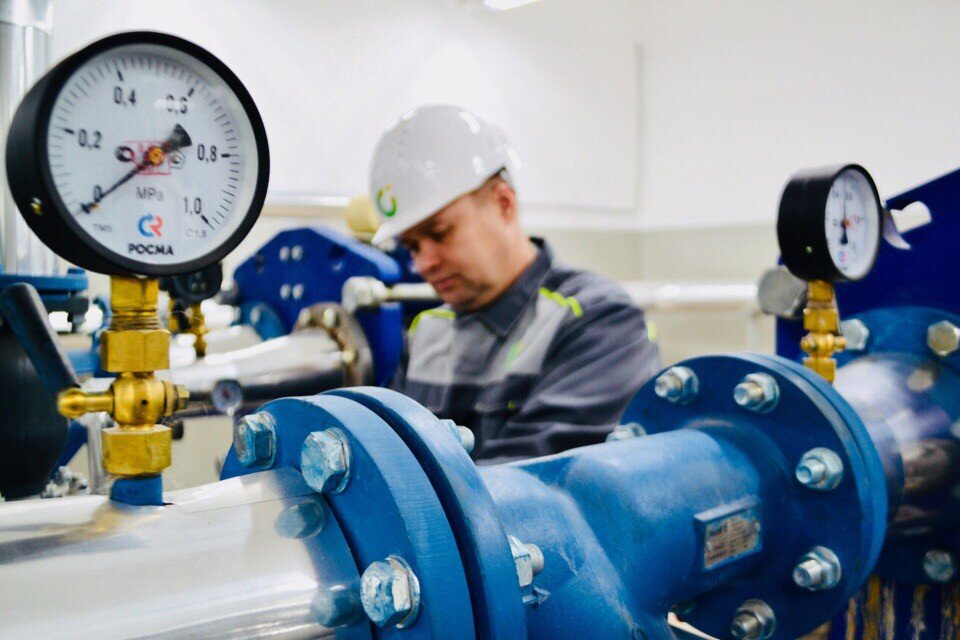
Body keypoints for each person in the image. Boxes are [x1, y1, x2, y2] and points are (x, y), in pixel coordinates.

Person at [369, 105, 660, 463]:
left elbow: (534, 482)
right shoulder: (425, 332)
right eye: (412, 247)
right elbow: (391, 458)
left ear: (504, 204)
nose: (423, 263)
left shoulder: (598, 321)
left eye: (440, 233)